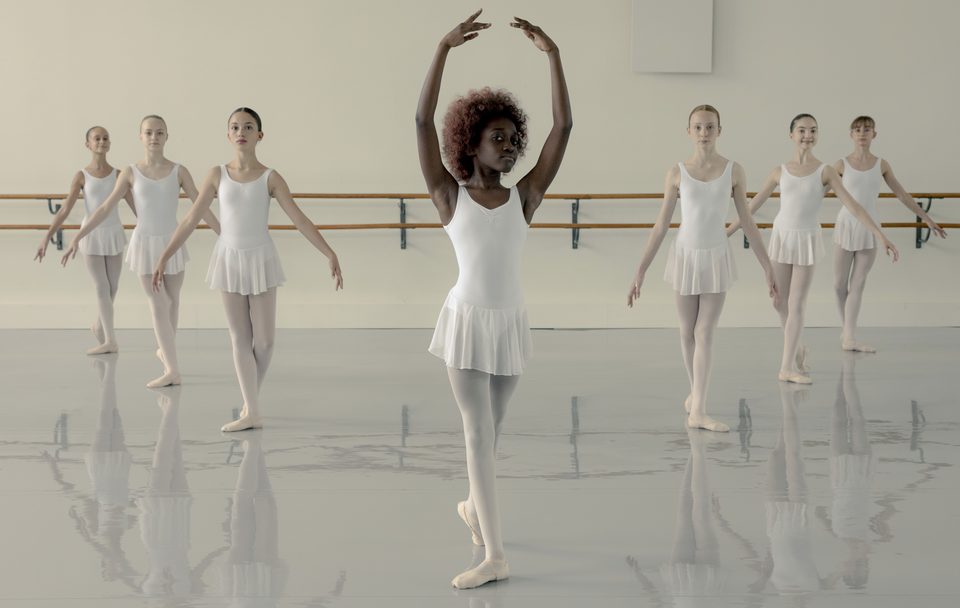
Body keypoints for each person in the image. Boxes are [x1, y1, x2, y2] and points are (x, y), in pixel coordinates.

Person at [416, 11, 572, 588]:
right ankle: (495, 555)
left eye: (513, 140)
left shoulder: (525, 198)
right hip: (465, 322)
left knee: (493, 432)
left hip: (509, 323)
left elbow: (564, 129)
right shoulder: (447, 195)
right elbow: (419, 119)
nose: (508, 148)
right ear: (471, 143)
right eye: (497, 139)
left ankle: (472, 508)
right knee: (478, 435)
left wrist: (553, 55)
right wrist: (442, 47)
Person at [152, 107, 342, 432]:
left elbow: (299, 219)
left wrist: (329, 253)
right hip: (229, 257)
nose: (241, 131)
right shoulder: (216, 174)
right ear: (228, 135)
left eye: (249, 126)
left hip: (261, 258)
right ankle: (251, 410)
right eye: (235, 127)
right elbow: (190, 219)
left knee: (265, 342)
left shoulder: (271, 177)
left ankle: (250, 400)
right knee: (240, 337)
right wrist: (164, 256)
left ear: (259, 135)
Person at [627, 105, 778, 433]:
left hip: (715, 256)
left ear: (719, 130)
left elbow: (748, 221)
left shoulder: (734, 171)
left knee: (705, 332)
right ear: (689, 131)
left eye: (710, 127)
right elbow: (661, 225)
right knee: (686, 331)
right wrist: (640, 270)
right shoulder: (677, 172)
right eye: (698, 127)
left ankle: (699, 410)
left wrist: (767, 267)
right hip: (685, 256)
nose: (704, 133)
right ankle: (696, 395)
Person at [727, 114, 899, 384]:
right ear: (792, 135)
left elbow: (853, 205)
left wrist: (880, 235)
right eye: (802, 130)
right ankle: (797, 348)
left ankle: (787, 367)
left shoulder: (826, 171)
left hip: (806, 239)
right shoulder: (779, 171)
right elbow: (751, 207)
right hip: (782, 238)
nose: (808, 135)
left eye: (813, 130)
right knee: (777, 300)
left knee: (797, 304)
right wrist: (728, 230)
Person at [62, 115, 220, 387]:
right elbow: (104, 208)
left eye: (159, 132)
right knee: (158, 304)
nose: (154, 137)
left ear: (167, 136)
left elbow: (200, 205)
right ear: (141, 137)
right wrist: (79, 236)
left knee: (172, 301)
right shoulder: (130, 172)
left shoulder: (179, 171)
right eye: (148, 132)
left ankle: (165, 349)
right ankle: (172, 369)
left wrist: (223, 233)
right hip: (145, 244)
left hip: (172, 241)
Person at [832, 115, 946, 352]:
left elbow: (902, 194)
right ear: (851, 135)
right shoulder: (841, 164)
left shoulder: (881, 164)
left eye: (867, 129)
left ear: (874, 134)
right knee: (838, 285)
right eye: (857, 129)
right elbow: (819, 188)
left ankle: (850, 337)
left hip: (870, 227)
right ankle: (846, 332)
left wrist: (927, 219)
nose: (862, 133)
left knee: (858, 283)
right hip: (846, 224)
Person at [35, 126, 135, 354]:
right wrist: (46, 236)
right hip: (90, 234)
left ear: (110, 143)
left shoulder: (119, 175)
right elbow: (65, 209)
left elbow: (135, 205)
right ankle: (110, 340)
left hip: (113, 233)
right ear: (88, 144)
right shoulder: (82, 175)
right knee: (101, 286)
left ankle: (99, 325)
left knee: (113, 287)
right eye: (96, 138)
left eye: (105, 138)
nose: (101, 141)